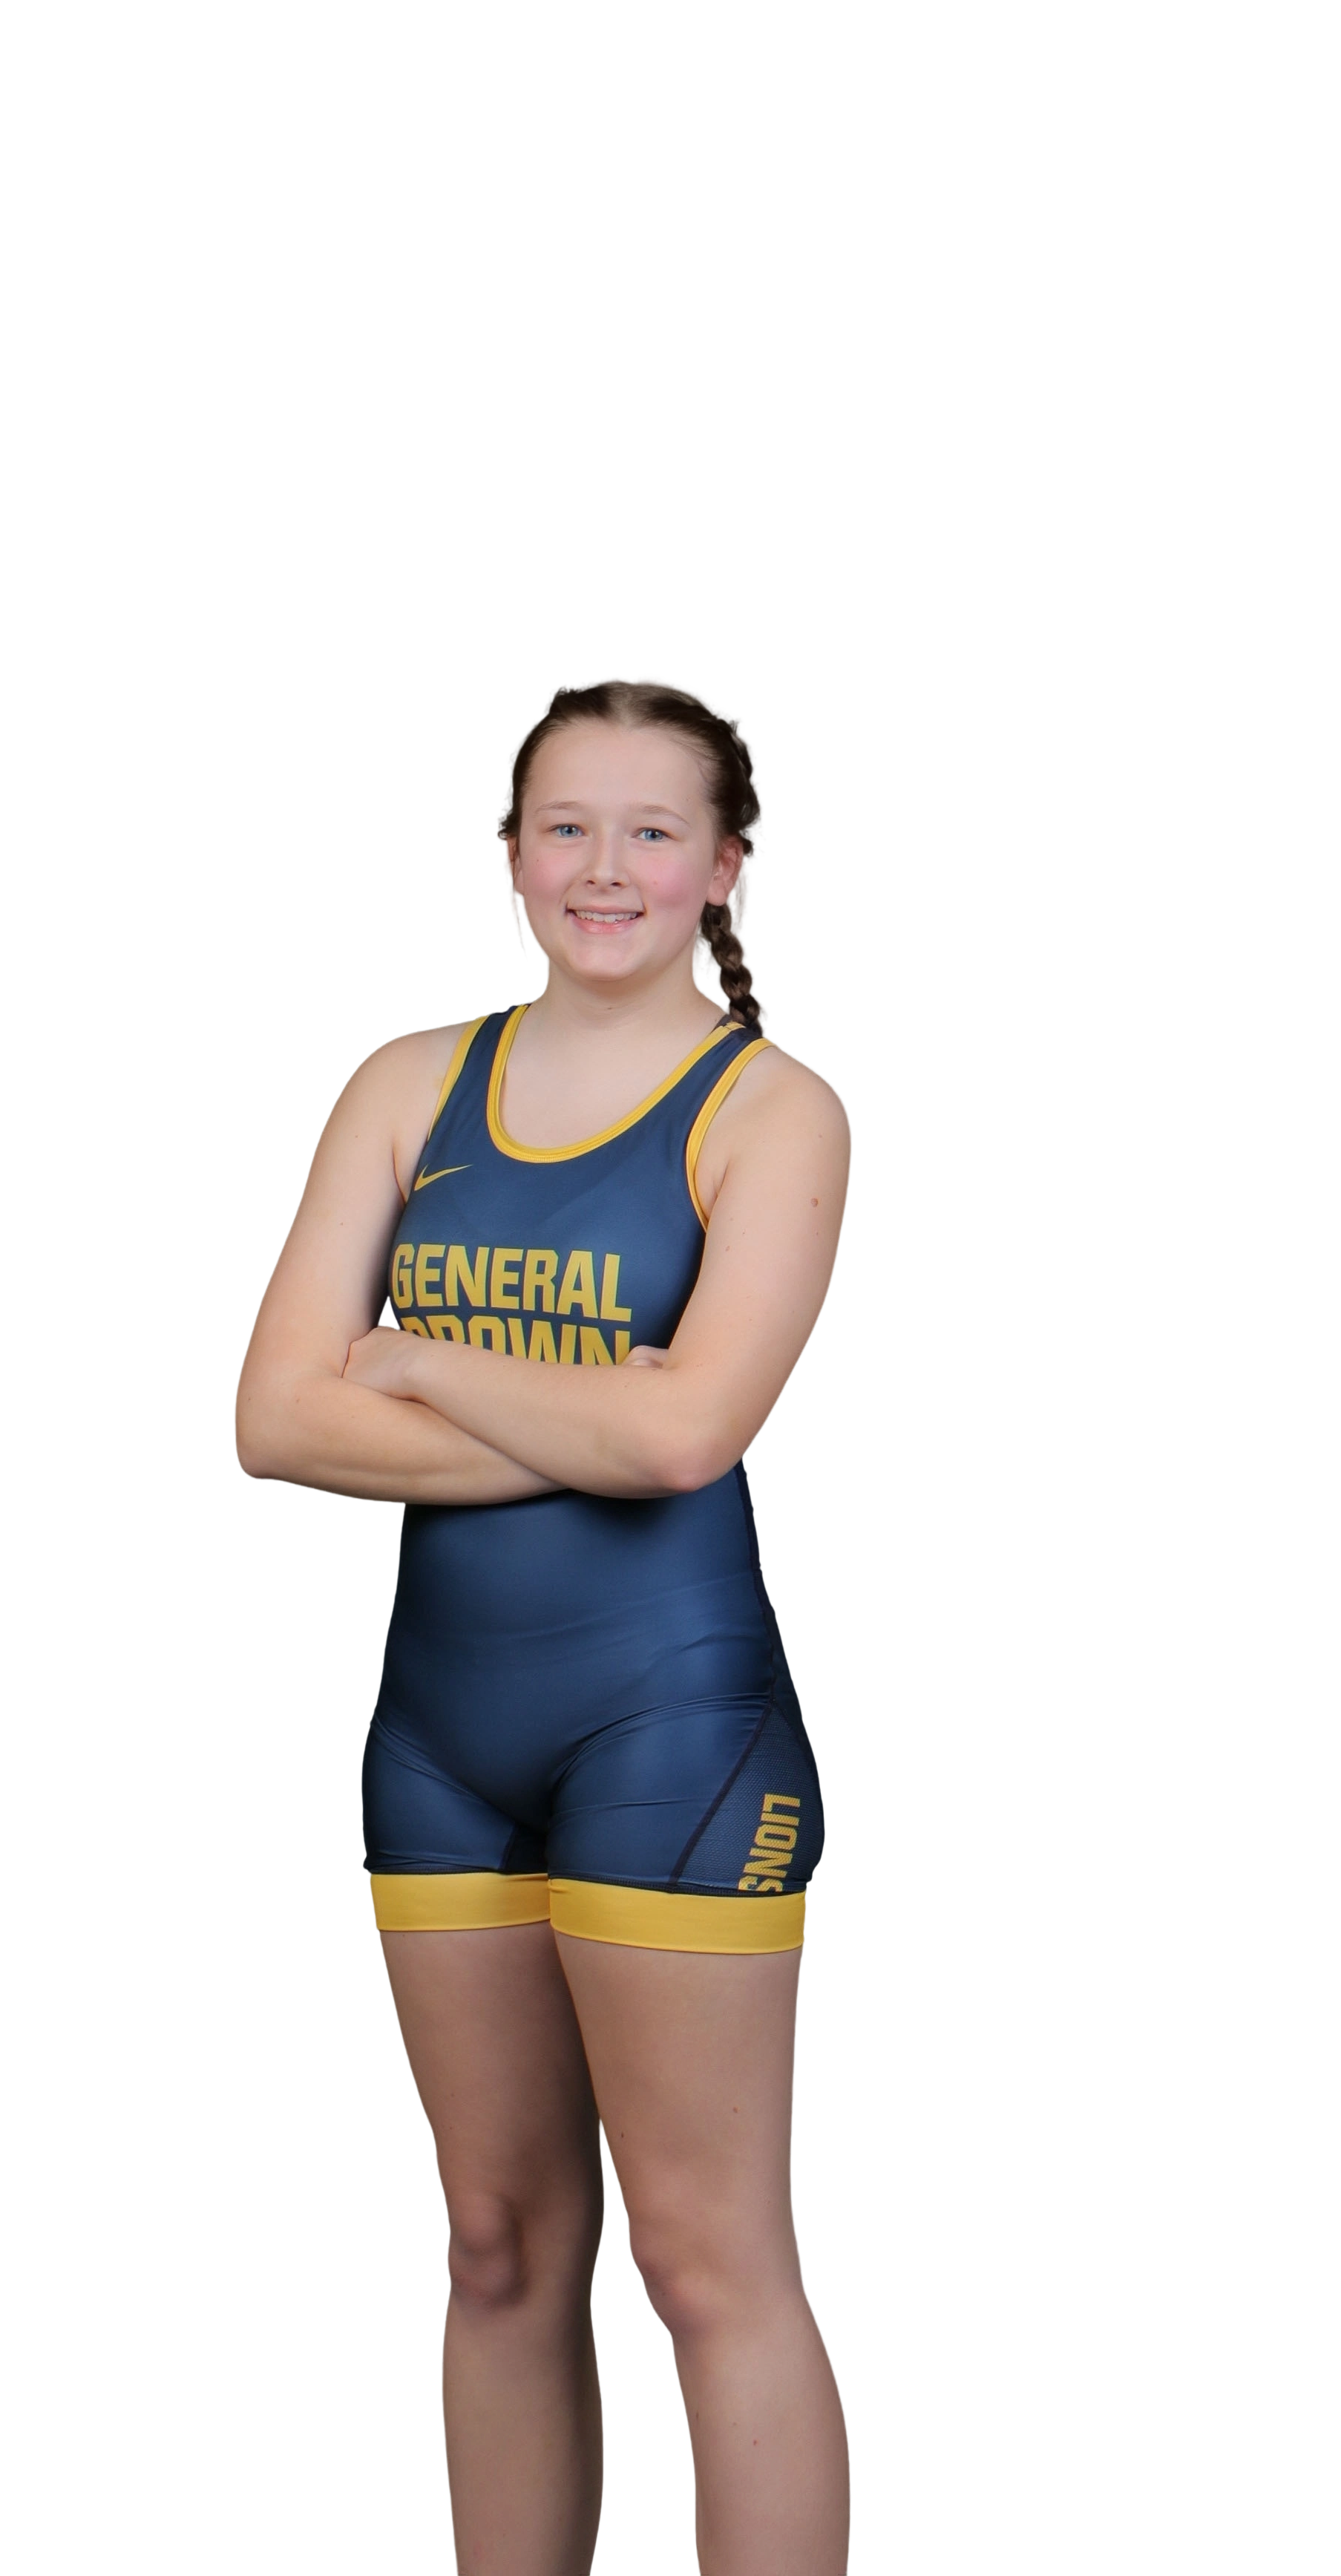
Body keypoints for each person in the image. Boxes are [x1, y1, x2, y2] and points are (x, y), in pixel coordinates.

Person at [231, 672, 856, 2576]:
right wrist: (591, 1415)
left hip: (674, 1731)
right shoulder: (406, 1084)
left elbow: (685, 1438)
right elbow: (275, 1420)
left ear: (724, 868)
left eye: (653, 829)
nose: (605, 867)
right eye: (566, 826)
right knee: (497, 2248)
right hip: (438, 1737)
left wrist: (421, 1358)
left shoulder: (774, 1109)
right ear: (508, 859)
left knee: (709, 2260)